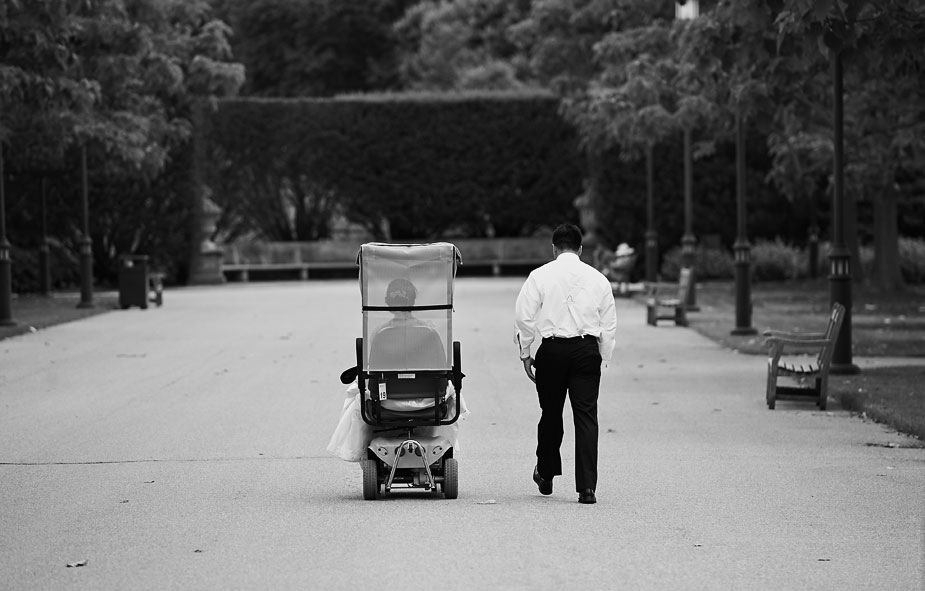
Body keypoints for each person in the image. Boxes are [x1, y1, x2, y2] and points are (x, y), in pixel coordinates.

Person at [514, 223, 617, 504]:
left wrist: (525, 351)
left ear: (554, 248)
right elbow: (608, 325)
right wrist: (603, 360)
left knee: (551, 414)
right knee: (586, 417)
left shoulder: (540, 275)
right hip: (586, 350)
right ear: (581, 249)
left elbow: (524, 315)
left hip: (553, 350)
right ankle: (587, 487)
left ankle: (545, 473)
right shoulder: (598, 279)